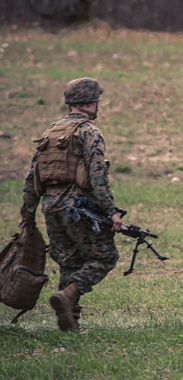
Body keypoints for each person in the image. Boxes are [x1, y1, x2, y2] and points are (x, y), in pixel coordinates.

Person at [20, 77, 121, 331]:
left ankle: (69, 320)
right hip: (77, 206)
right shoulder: (89, 132)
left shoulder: (50, 132)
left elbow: (32, 176)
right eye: (97, 101)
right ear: (89, 102)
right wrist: (111, 211)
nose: (98, 106)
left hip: (50, 206)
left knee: (69, 261)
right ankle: (68, 296)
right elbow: (98, 175)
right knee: (105, 256)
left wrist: (28, 213)